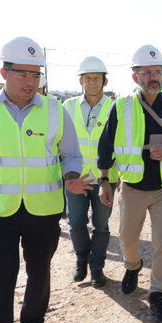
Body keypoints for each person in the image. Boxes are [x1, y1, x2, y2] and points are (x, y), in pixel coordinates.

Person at [0, 36, 91, 323]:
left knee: (40, 273)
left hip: (43, 210)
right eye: (22, 74)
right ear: (4, 73)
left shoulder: (55, 110)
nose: (30, 82)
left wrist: (71, 176)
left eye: (35, 75)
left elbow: (71, 154)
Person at [97, 44, 162, 323]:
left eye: (158, 72)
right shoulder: (121, 107)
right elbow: (105, 144)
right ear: (135, 77)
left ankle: (158, 294)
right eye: (147, 73)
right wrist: (105, 180)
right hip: (132, 187)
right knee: (127, 241)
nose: (154, 77)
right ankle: (132, 265)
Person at [61, 56, 118, 288]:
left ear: (105, 81)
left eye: (97, 78)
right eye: (87, 78)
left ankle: (97, 268)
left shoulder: (116, 106)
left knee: (101, 225)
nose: (92, 82)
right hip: (76, 177)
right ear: (80, 80)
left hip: (105, 178)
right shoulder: (68, 107)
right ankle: (81, 259)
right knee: (75, 222)